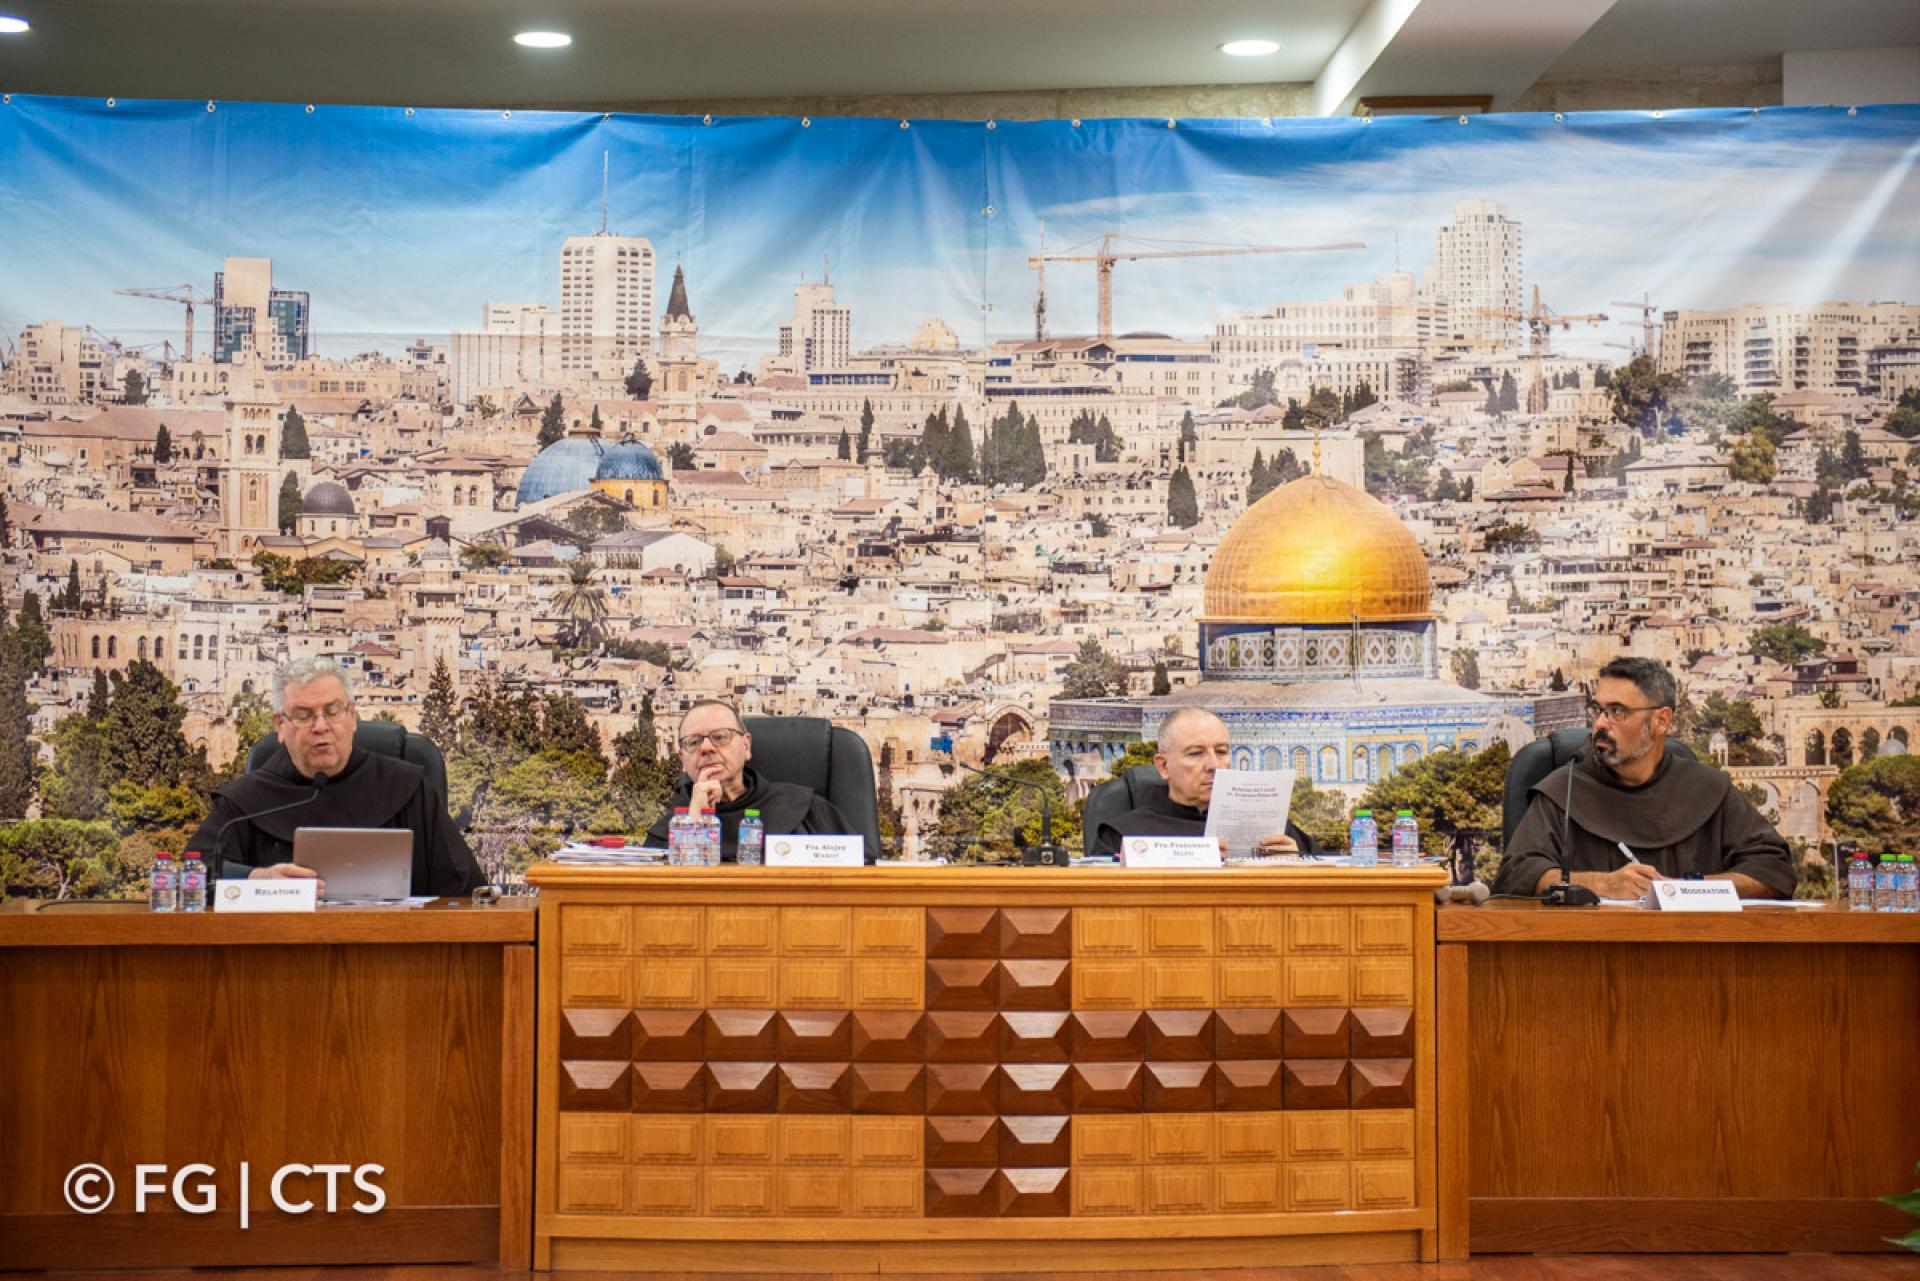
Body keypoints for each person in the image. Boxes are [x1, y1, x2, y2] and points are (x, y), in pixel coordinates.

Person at [1493, 656, 1793, 900]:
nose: (1600, 724)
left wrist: (1686, 891)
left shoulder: (1708, 788)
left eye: (1617, 712)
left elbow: (1773, 869)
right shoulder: (1564, 789)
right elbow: (1516, 875)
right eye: (1598, 710)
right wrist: (1603, 884)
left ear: (1661, 721)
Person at [187, 657, 486, 897]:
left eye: (332, 712)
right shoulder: (247, 800)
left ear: (352, 716)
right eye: (304, 715)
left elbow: (465, 889)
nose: (321, 726)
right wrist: (255, 879)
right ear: (280, 725)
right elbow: (193, 874)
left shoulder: (408, 788)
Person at [1090, 706, 1314, 858]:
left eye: (1221, 751)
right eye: (1196, 753)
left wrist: (1300, 864)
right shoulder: (1123, 836)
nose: (1214, 765)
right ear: (1164, 766)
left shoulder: (1272, 828)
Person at [644, 700, 854, 861]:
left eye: (720, 737)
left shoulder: (803, 808)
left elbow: (860, 870)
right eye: (693, 742)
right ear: (682, 760)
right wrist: (695, 822)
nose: (706, 748)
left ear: (746, 746)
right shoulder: (666, 831)